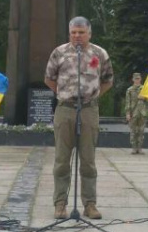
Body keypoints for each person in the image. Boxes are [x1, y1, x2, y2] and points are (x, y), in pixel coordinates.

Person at [45, 16, 113, 220]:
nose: (77, 36)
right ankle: (60, 204)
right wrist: (65, 94)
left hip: (89, 110)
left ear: (89, 33)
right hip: (65, 109)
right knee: (62, 160)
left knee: (88, 161)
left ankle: (90, 204)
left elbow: (108, 80)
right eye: (74, 32)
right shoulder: (59, 52)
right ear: (69, 33)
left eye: (81, 32)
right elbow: (49, 78)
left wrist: (92, 96)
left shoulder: (100, 53)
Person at [125, 72, 148, 154]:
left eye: (138, 78)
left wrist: (144, 98)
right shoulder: (129, 90)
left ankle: (139, 148)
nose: (137, 80)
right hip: (133, 112)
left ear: (140, 79)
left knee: (141, 131)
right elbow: (127, 102)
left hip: (142, 112)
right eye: (135, 79)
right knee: (133, 131)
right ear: (133, 79)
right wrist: (127, 113)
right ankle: (133, 147)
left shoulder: (144, 89)